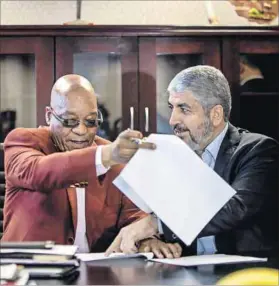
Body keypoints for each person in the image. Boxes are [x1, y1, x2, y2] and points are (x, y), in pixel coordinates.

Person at [107, 65, 278, 258]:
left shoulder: (258, 150)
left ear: (216, 115)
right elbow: (147, 213)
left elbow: (235, 208)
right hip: (185, 271)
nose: (172, 120)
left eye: (184, 109)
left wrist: (158, 224)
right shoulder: (172, 154)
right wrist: (151, 240)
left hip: (246, 273)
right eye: (172, 108)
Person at [2, 74, 160, 253]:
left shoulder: (111, 154)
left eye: (91, 122)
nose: (81, 131)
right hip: (29, 269)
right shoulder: (23, 141)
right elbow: (38, 172)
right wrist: (104, 156)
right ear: (48, 116)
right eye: (70, 121)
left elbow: (134, 215)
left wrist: (147, 240)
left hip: (94, 272)